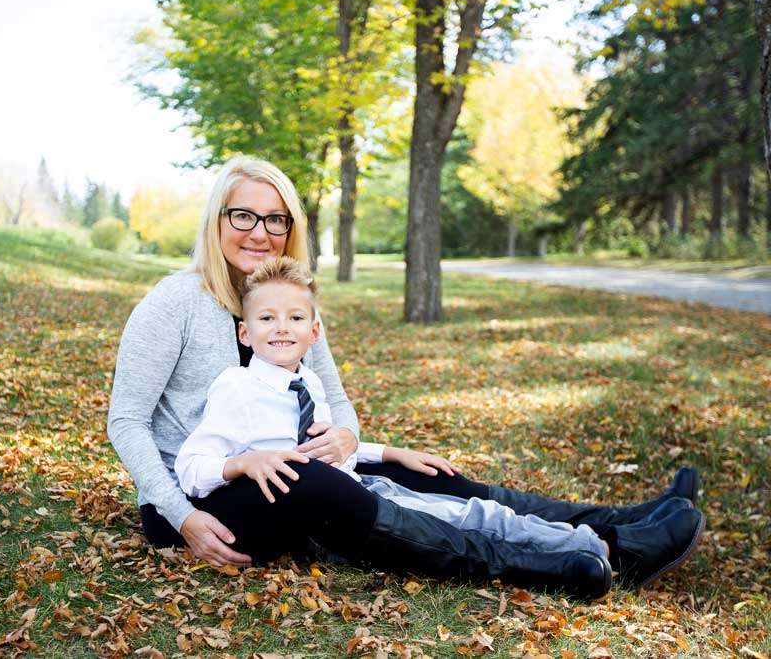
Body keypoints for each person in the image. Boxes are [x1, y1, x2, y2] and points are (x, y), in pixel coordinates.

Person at [107, 155, 704, 597]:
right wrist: (181, 516)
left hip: (287, 469)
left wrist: (349, 439)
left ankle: (619, 528)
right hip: (201, 497)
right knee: (319, 485)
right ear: (216, 220)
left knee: (420, 471)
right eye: (244, 215)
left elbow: (335, 403)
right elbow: (127, 420)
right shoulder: (175, 302)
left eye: (276, 219)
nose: (260, 232)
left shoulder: (289, 303)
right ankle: (541, 564)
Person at [173, 256, 704, 597]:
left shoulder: (306, 380)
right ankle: (600, 555)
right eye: (266, 319)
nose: (280, 329)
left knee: (478, 508)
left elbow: (329, 449)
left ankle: (604, 538)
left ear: (315, 331)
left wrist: (385, 451)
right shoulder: (236, 388)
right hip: (324, 519)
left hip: (360, 485)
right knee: (462, 520)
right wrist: (245, 461)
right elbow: (192, 467)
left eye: (293, 319)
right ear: (245, 333)